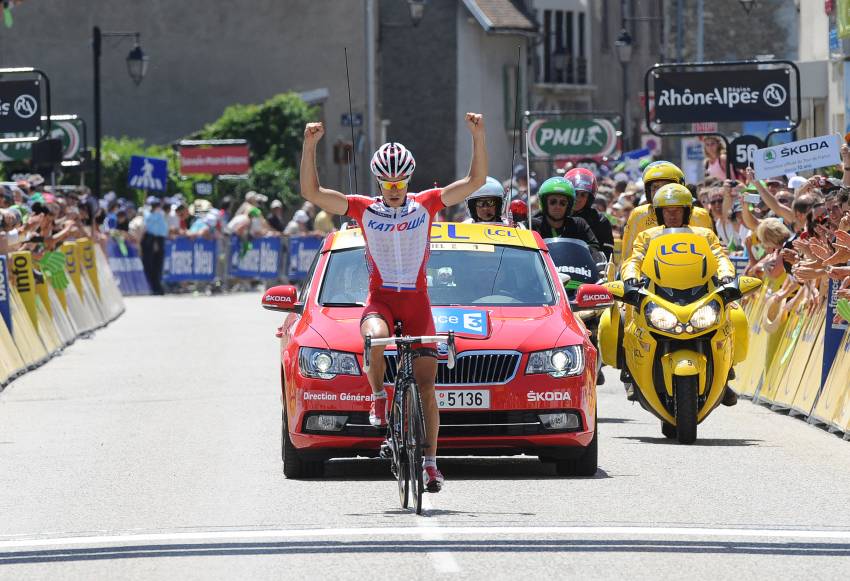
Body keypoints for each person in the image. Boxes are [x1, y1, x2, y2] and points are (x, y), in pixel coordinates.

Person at [299, 112, 488, 493]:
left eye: (400, 182)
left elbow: (475, 182)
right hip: (380, 300)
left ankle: (432, 463)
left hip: (417, 303)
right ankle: (379, 397)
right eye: (388, 183)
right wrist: (310, 145)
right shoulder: (362, 208)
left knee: (427, 387)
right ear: (379, 182)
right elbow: (313, 194)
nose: (394, 189)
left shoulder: (427, 204)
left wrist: (477, 137)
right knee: (375, 337)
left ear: (409, 179)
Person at [621, 183, 738, 406]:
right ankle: (630, 375)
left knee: (737, 317)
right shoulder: (647, 236)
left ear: (687, 211)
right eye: (667, 210)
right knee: (624, 322)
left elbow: (720, 257)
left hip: (700, 295)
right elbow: (633, 260)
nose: (672, 214)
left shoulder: (704, 235)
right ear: (658, 212)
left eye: (678, 210)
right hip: (658, 295)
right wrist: (630, 278)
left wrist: (726, 276)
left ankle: (727, 372)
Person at [621, 161, 714, 261]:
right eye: (655, 187)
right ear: (648, 192)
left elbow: (710, 253)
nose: (660, 191)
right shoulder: (638, 215)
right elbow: (628, 256)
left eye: (665, 186)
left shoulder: (699, 215)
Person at [531, 177, 601, 252]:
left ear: (569, 205)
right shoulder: (532, 226)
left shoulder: (579, 225)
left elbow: (594, 248)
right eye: (553, 201)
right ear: (544, 203)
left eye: (563, 203)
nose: (557, 206)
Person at [564, 168, 615, 259]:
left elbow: (608, 257)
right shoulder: (556, 217)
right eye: (575, 193)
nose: (578, 198)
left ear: (589, 198)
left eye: (583, 195)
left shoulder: (600, 221)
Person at [141, 196, 168, 295]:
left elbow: (159, 231)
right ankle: (154, 286)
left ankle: (156, 287)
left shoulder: (155, 215)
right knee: (151, 265)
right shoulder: (153, 214)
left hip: (155, 240)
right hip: (152, 239)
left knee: (155, 265)